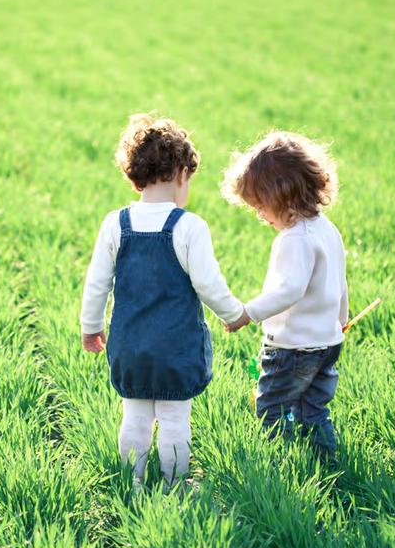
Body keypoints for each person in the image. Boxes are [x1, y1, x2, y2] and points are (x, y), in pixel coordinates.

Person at [81, 113, 244, 492]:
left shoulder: (115, 223)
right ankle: (174, 485)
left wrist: (91, 327)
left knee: (134, 417)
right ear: (181, 175)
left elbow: (97, 283)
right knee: (174, 420)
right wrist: (234, 314)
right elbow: (209, 284)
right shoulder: (189, 227)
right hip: (176, 348)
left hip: (131, 344)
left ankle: (132, 483)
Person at [221, 131, 347, 462]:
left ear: (282, 196)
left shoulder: (295, 238)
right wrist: (340, 321)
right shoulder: (326, 229)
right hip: (327, 343)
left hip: (293, 348)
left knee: (271, 407)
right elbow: (339, 281)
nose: (261, 216)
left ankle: (280, 464)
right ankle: (326, 462)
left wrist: (247, 313)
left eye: (262, 207)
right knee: (313, 409)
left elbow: (290, 290)